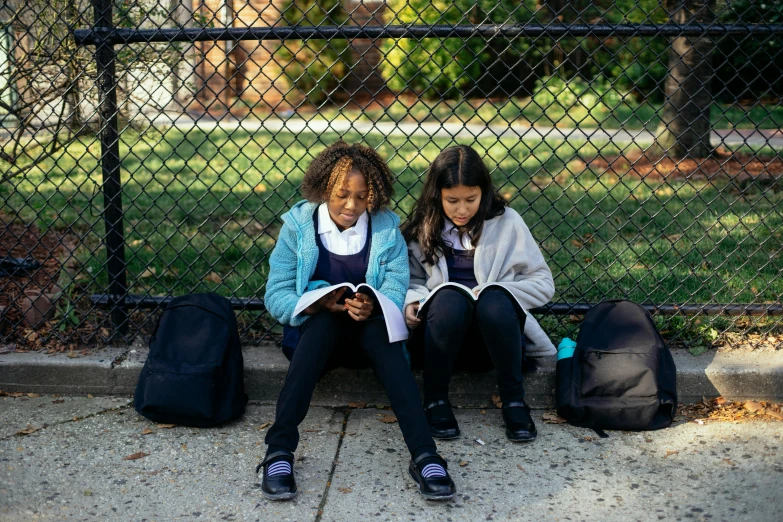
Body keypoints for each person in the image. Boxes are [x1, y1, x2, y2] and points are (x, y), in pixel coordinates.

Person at [260, 141, 456, 501]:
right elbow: (276, 294)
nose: (352, 206)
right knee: (320, 325)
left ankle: (426, 455)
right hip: (315, 341)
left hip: (369, 339)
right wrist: (315, 305)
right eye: (341, 195)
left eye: (362, 197)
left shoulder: (384, 228)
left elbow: (396, 285)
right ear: (322, 189)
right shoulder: (298, 228)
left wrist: (375, 306)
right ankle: (279, 451)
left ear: (374, 195)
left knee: (384, 336)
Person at [401, 144, 556, 443]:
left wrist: (495, 291)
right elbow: (407, 281)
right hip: (439, 340)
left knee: (493, 300)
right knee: (448, 299)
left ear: (484, 191)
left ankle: (513, 401)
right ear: (437, 196)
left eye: (471, 199)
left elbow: (542, 282)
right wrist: (412, 302)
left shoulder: (507, 223)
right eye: (452, 201)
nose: (462, 210)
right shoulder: (423, 229)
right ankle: (435, 400)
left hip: (493, 341)